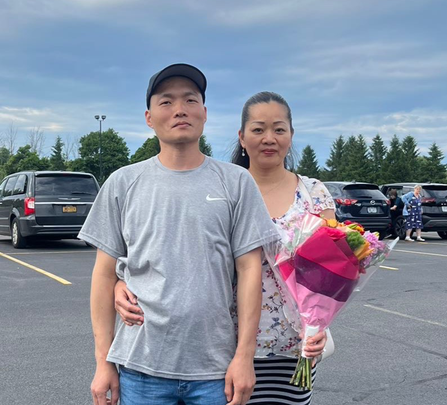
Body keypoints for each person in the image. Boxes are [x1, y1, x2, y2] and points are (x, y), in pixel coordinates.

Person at [82, 63, 278, 405]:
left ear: (204, 113)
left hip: (216, 370)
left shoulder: (236, 182)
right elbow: (103, 274)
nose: (179, 110)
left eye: (190, 99)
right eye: (166, 101)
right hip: (140, 368)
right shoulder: (123, 183)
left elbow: (250, 269)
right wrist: (103, 362)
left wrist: (244, 357)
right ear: (149, 117)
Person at [116, 91, 331, 404]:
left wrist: (320, 323)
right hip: (222, 346)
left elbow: (330, 271)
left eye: (279, 129)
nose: (269, 138)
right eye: (258, 129)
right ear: (242, 137)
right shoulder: (223, 185)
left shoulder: (313, 194)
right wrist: (121, 282)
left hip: (293, 342)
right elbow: (175, 251)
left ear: (291, 135)